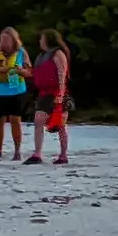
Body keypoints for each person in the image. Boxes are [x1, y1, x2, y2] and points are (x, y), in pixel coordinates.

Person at [0, 27, 31, 159]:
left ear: (13, 40)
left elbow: (29, 72)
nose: (3, 42)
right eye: (2, 39)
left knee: (15, 120)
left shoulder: (21, 52)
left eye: (6, 39)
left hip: (16, 90)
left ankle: (17, 151)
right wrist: (3, 69)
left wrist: (20, 71)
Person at [25, 29, 70, 166]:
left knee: (60, 124)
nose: (40, 41)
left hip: (56, 92)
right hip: (44, 93)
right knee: (38, 120)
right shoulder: (41, 57)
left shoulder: (58, 54)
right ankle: (37, 153)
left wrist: (60, 95)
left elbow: (62, 74)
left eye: (42, 38)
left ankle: (63, 155)